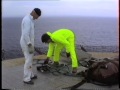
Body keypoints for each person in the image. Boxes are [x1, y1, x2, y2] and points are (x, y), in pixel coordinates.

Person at [20, 8, 41, 85]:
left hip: (29, 43)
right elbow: (25, 34)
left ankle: (30, 75)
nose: (37, 18)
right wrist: (29, 44)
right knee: (28, 60)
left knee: (30, 59)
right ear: (34, 13)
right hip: (26, 43)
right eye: (37, 16)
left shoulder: (31, 20)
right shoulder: (27, 20)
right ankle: (26, 78)